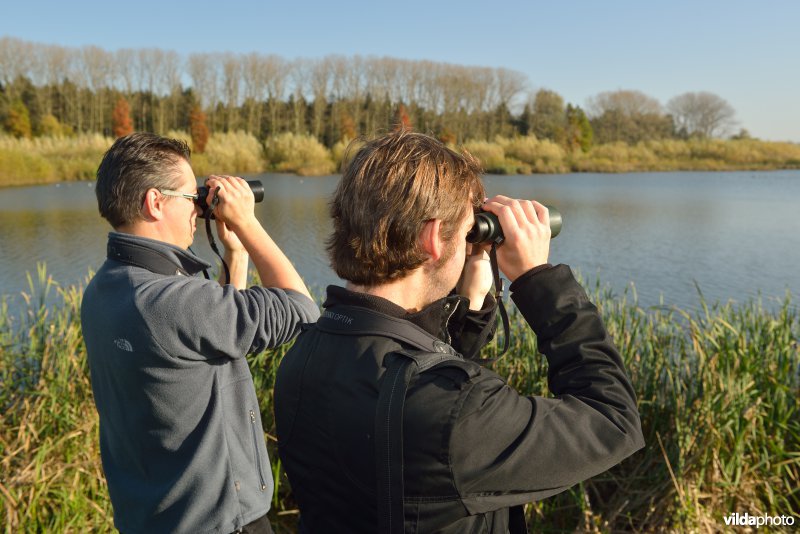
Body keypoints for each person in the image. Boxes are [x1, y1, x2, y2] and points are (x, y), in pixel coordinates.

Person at [274, 130, 644, 533]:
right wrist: (538, 280)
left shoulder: (305, 353)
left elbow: (414, 387)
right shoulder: (455, 411)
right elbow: (613, 421)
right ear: (433, 238)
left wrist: (470, 307)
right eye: (469, 231)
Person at [81, 132, 319, 534]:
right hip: (220, 522)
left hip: (153, 518)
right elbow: (301, 311)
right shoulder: (173, 300)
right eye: (193, 199)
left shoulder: (104, 289)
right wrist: (247, 224)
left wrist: (235, 255)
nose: (200, 210)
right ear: (155, 202)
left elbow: (216, 338)